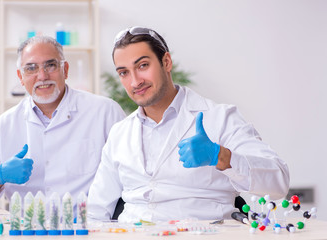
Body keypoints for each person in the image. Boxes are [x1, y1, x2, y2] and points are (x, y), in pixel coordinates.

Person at [87, 26, 290, 222]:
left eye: (143, 66)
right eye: (124, 72)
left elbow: (279, 182)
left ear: (166, 62)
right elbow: (96, 211)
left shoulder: (220, 118)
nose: (134, 82)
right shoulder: (120, 132)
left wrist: (221, 156)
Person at [0, 36, 125, 214]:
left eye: (50, 65)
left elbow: (131, 176)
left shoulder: (105, 111)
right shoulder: (5, 124)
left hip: (88, 228)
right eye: (31, 68)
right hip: (27, 230)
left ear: (65, 70)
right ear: (20, 76)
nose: (42, 76)